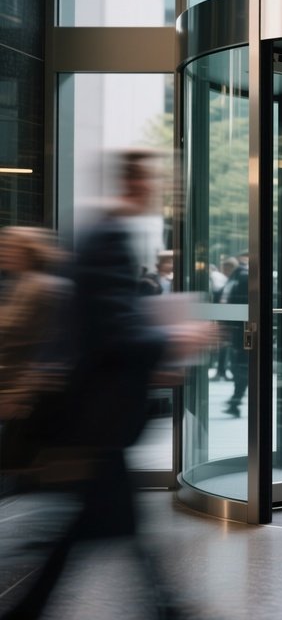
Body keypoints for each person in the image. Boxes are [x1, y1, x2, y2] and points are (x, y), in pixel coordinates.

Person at [0, 149, 211, 620]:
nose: (162, 189)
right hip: (97, 417)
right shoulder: (108, 236)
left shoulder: (101, 232)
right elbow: (112, 331)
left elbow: (104, 326)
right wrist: (177, 336)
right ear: (137, 183)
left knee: (106, 523)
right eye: (157, 180)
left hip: (96, 417)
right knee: (103, 522)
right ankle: (168, 607)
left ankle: (164, 606)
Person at [0, 226, 73, 491]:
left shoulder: (43, 288)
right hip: (14, 391)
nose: (3, 252)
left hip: (25, 396)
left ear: (28, 252)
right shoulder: (19, 285)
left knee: (23, 467)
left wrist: (18, 395)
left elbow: (47, 348)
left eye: (10, 247)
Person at [219, 252, 249, 417]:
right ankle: (235, 400)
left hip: (242, 329)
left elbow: (241, 302)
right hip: (238, 329)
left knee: (240, 365)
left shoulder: (241, 277)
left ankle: (236, 399)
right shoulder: (236, 277)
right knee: (238, 365)